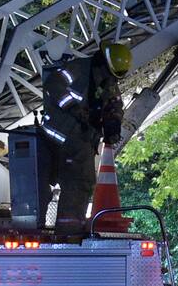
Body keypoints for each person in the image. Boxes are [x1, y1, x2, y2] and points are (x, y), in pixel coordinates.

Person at [38, 40, 132, 232]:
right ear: (103, 63)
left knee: (79, 181)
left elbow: (114, 104)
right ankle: (68, 230)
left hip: (80, 138)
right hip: (60, 134)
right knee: (78, 180)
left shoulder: (107, 81)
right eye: (109, 73)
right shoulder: (78, 69)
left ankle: (69, 227)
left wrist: (113, 125)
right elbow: (53, 85)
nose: (111, 79)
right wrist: (73, 108)